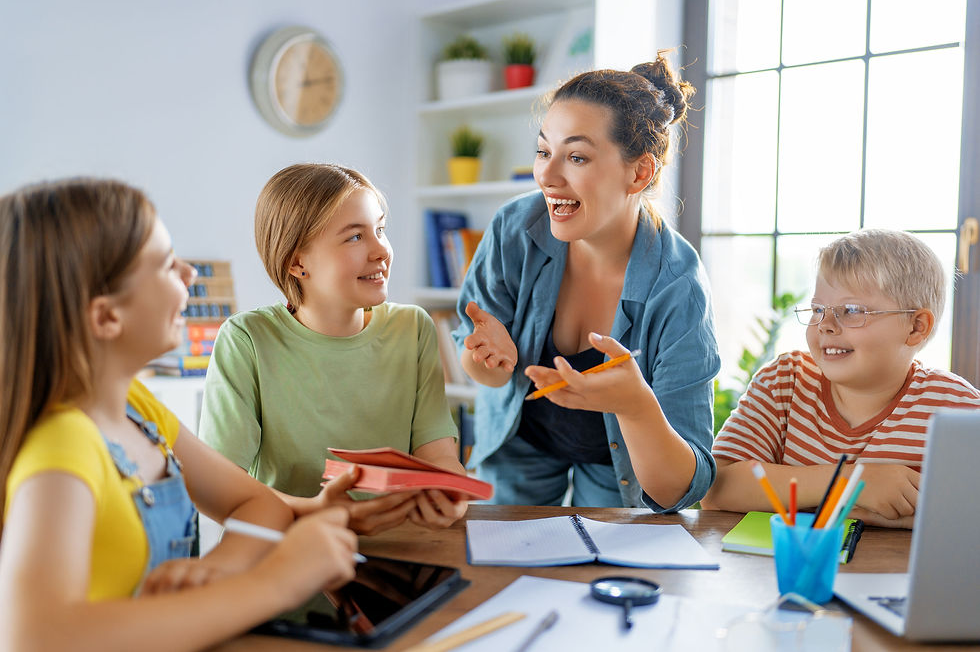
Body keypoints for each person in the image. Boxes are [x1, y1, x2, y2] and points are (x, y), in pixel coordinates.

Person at [0, 178, 360, 651]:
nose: (190, 273)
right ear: (107, 316)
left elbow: (259, 503)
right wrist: (275, 582)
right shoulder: (63, 444)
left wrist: (220, 568)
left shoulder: (138, 410)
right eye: (168, 265)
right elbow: (33, 637)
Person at [452, 52, 721, 510]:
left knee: (601, 568)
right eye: (543, 151)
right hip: (521, 438)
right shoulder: (514, 228)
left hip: (616, 465)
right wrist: (486, 360)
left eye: (575, 156)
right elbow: (479, 363)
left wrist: (636, 406)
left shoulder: (679, 286)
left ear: (639, 172)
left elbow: (684, 486)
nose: (547, 176)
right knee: (499, 562)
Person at [199, 163, 467, 532]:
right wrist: (317, 512)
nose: (381, 251)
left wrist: (449, 493)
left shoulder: (413, 328)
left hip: (403, 561)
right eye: (355, 237)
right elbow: (219, 486)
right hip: (292, 562)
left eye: (380, 230)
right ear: (296, 261)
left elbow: (437, 454)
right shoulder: (247, 340)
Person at [702, 229, 980, 528]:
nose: (826, 325)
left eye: (851, 310)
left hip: (896, 573)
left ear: (916, 327)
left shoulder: (957, 407)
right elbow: (718, 490)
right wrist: (850, 484)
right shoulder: (783, 382)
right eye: (819, 309)